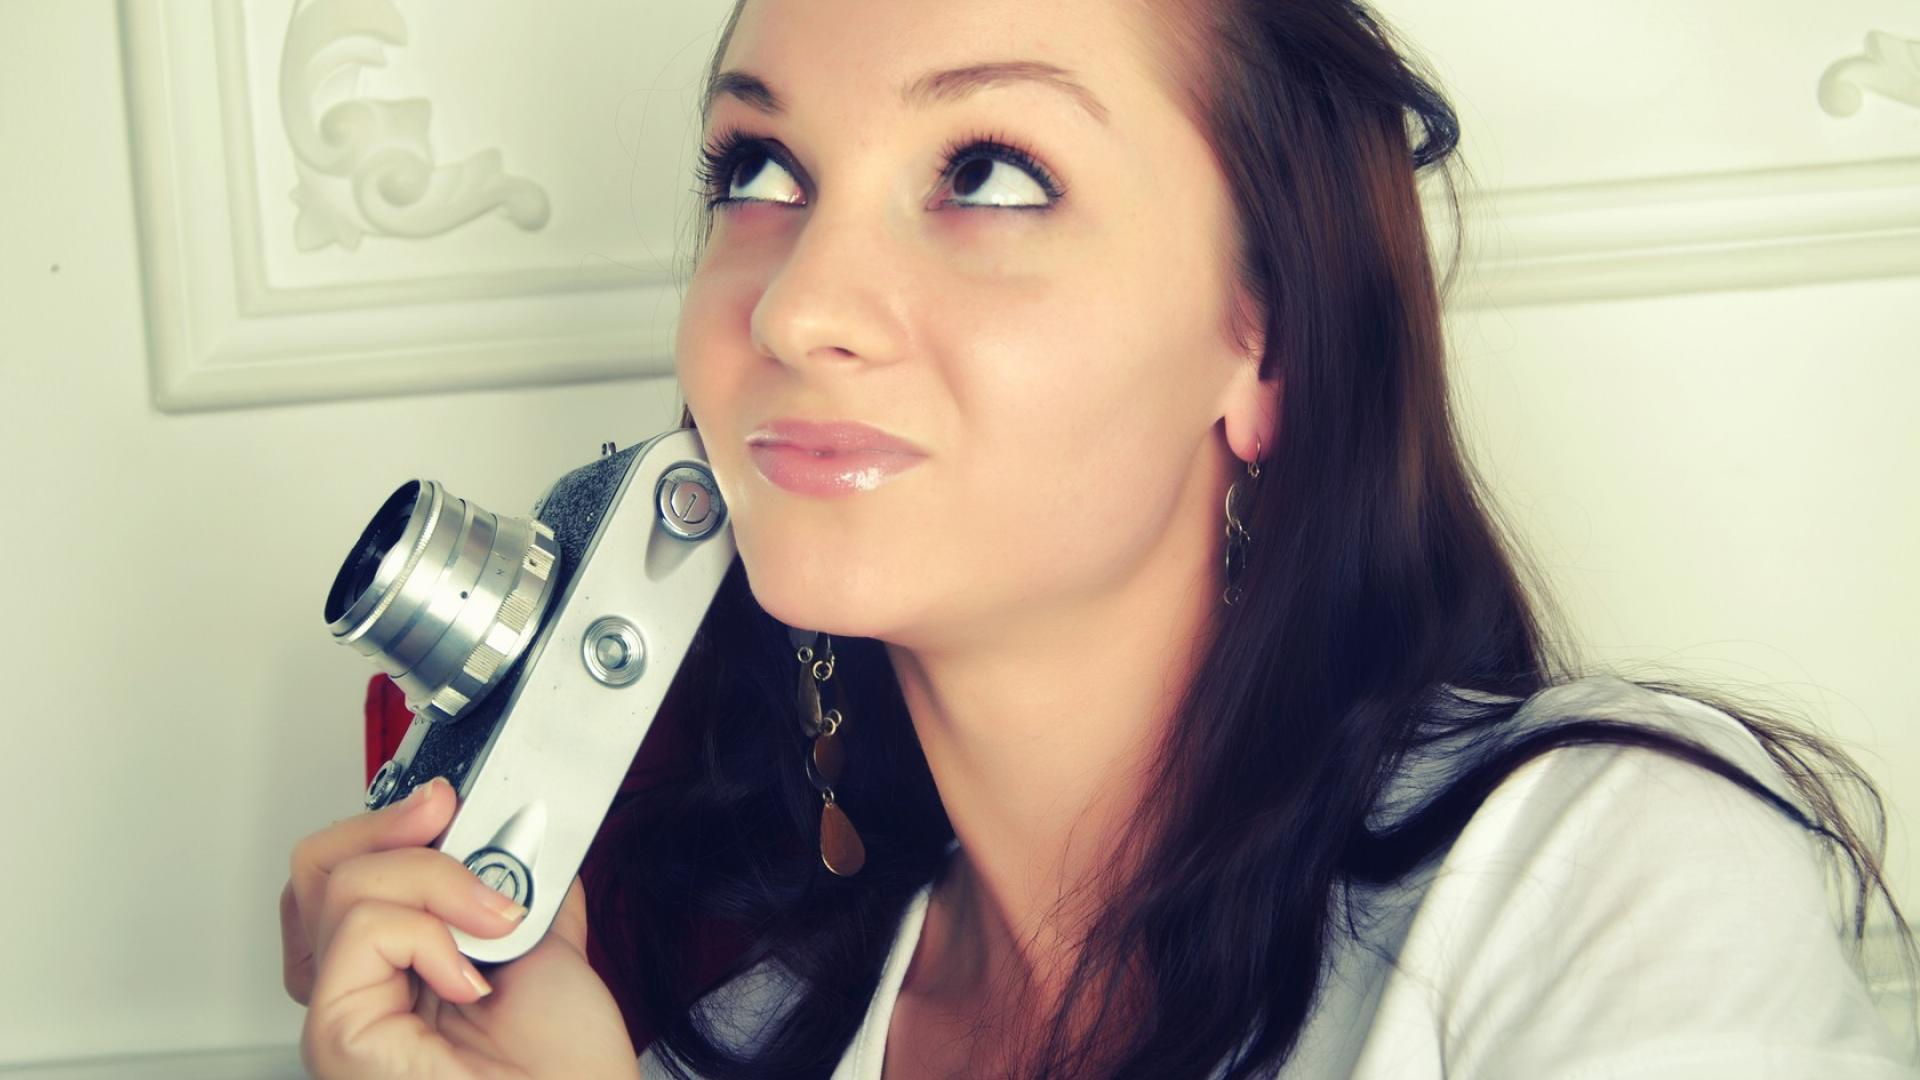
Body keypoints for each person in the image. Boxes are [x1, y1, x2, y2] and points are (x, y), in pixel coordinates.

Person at [280, 0, 1920, 1076]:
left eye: (993, 174)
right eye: (759, 168)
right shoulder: (741, 1040)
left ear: (1266, 341)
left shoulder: (1595, 875)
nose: (795, 308)